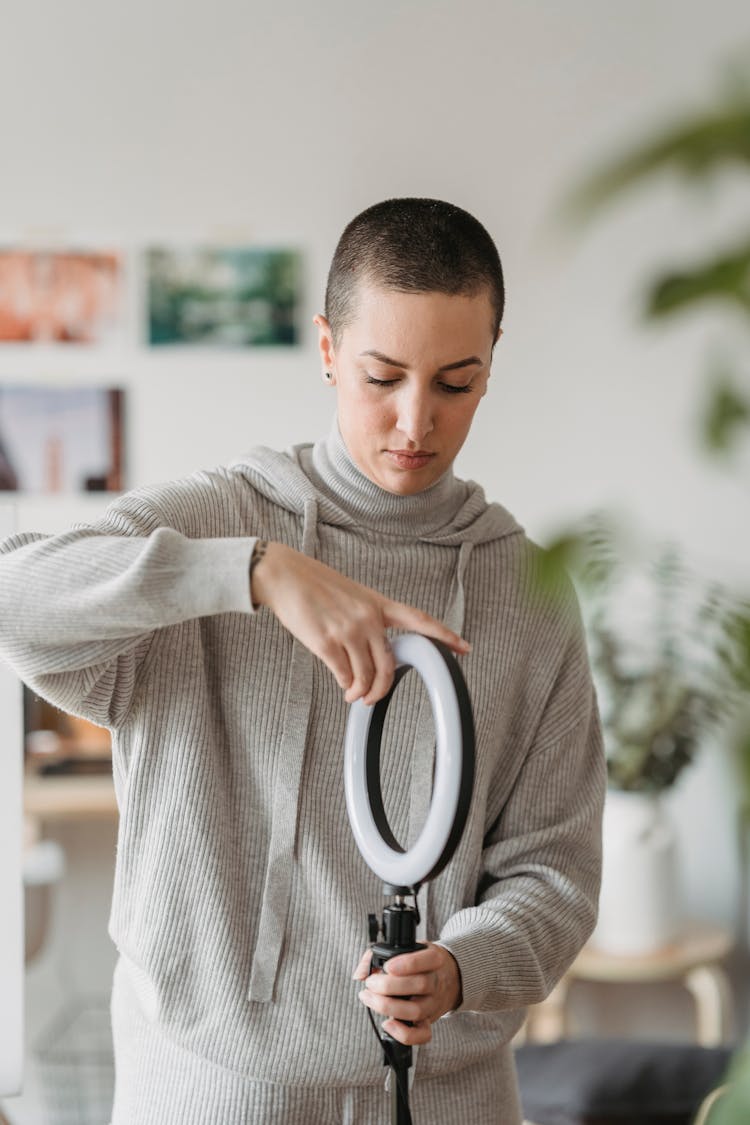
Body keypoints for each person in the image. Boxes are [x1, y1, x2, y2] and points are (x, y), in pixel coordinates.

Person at [0, 198, 605, 1125]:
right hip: (208, 1089)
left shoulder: (528, 590)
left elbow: (554, 870)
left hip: (449, 1094)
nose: (415, 421)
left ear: (490, 370)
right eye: (381, 375)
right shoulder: (217, 519)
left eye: (456, 381)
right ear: (327, 349)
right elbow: (15, 593)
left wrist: (460, 966)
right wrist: (251, 571)